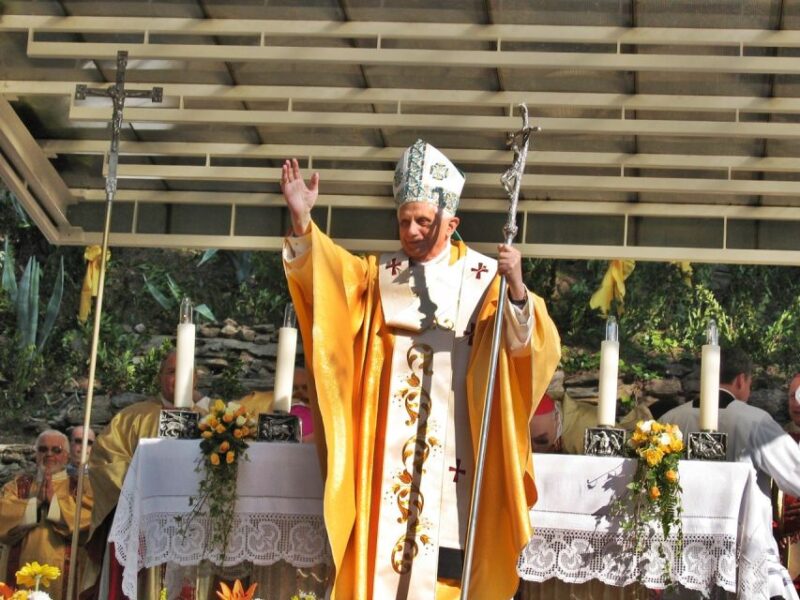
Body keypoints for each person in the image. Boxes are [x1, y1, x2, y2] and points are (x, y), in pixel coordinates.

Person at [280, 141, 561, 599]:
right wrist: (302, 222)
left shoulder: (485, 279)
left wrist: (515, 287)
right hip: (390, 457)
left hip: (460, 452)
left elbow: (526, 346)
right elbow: (329, 282)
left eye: (424, 221)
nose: (411, 230)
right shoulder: (379, 278)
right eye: (405, 220)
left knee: (453, 565)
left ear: (452, 223)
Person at [660, 348, 800, 600]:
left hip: (686, 561)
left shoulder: (671, 420)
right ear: (740, 380)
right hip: (745, 558)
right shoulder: (755, 421)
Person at [87, 350, 206, 600]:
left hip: (197, 520)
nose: (178, 378)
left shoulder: (213, 420)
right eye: (172, 371)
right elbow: (104, 460)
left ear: (196, 379)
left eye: (186, 372)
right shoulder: (133, 417)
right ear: (160, 377)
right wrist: (141, 487)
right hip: (143, 523)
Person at [0, 430, 93, 600]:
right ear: (36, 455)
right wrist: (35, 503)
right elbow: (3, 514)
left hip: (64, 575)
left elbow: (87, 519)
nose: (49, 454)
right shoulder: (17, 485)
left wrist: (54, 504)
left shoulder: (81, 487)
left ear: (67, 456)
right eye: (43, 449)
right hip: (19, 573)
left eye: (56, 450)